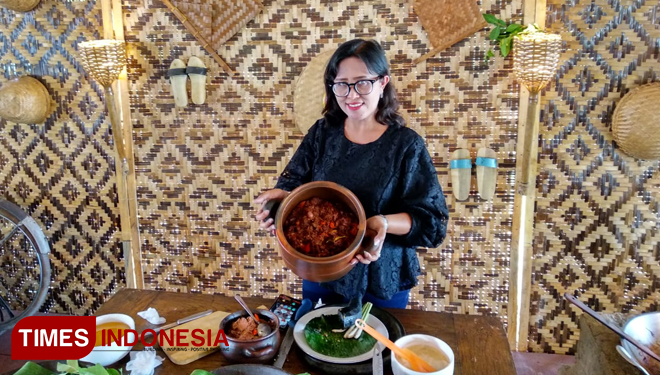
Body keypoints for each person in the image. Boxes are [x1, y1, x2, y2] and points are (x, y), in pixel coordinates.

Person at [254, 39, 448, 309]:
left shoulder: (406, 145)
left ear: (382, 83)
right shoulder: (322, 133)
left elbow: (431, 222)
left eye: (362, 82)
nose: (351, 95)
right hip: (321, 272)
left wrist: (383, 223)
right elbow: (293, 184)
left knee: (378, 347)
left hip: (380, 276)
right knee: (316, 345)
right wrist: (278, 200)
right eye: (342, 84)